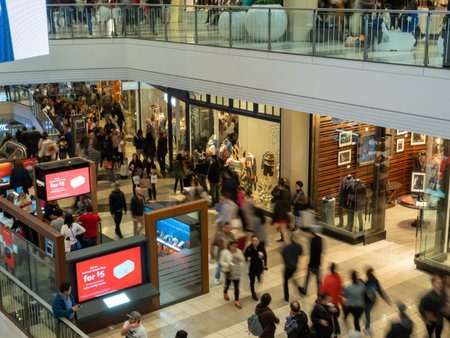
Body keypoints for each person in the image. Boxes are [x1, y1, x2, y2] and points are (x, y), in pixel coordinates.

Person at [363, 267, 391, 335]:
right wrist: (386, 299)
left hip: (368, 301)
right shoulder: (375, 281)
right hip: (373, 300)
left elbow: (364, 292)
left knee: (367, 313)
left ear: (367, 275)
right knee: (367, 313)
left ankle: (367, 327)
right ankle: (367, 327)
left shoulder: (367, 282)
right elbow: (380, 292)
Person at [299, 225, 323, 296]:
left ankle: (305, 289)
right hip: (318, 263)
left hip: (313, 264)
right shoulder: (320, 239)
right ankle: (318, 293)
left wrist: (309, 265)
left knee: (310, 277)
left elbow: (312, 255)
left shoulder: (313, 242)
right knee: (317, 279)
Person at [320, 263, 343, 337]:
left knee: (328, 318)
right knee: (335, 318)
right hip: (335, 302)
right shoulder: (339, 277)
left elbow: (323, 290)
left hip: (328, 302)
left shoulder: (327, 278)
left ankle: (329, 331)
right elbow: (340, 290)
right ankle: (337, 332)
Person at [220, 240, 244, 309]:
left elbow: (243, 259)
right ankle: (225, 293)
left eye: (236, 246)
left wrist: (240, 258)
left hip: (237, 272)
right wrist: (228, 265)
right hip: (228, 272)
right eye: (233, 246)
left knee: (236, 287)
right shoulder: (224, 252)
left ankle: (236, 301)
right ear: (229, 246)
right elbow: (221, 262)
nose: (235, 248)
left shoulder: (239, 251)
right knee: (227, 284)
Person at [244, 235, 267, 301]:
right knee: (252, 281)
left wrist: (264, 262)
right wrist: (247, 258)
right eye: (253, 241)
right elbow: (245, 255)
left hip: (259, 266)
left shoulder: (261, 247)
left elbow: (265, 255)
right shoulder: (249, 248)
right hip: (251, 267)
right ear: (251, 241)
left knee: (259, 276)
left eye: (256, 241)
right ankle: (253, 294)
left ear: (258, 241)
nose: (255, 242)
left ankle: (259, 278)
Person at [282, 235, 303, 302]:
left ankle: (286, 298)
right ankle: (300, 289)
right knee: (292, 277)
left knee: (285, 281)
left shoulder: (286, 248)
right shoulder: (298, 246)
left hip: (288, 267)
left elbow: (283, 255)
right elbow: (300, 253)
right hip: (294, 267)